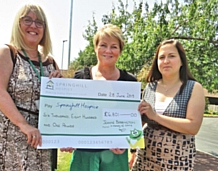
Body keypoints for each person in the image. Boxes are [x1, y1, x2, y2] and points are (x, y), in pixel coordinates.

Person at [0, 3, 62, 171]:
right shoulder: (7, 52)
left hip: (41, 136)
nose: (33, 25)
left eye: (39, 22)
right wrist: (24, 125)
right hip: (9, 132)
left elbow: (61, 103)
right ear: (18, 24)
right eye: (27, 20)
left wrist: (59, 84)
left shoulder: (51, 62)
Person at [61, 24, 137, 171]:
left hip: (116, 157)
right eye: (103, 45)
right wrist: (66, 138)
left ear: (120, 50)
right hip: (84, 155)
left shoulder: (129, 82)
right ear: (95, 48)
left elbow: (133, 122)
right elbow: (69, 114)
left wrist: (128, 144)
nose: (108, 51)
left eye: (114, 46)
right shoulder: (81, 77)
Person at [131, 39, 205, 171]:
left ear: (181, 61)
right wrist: (132, 149)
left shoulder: (193, 87)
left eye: (171, 56)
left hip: (177, 161)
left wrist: (155, 116)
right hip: (145, 158)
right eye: (161, 57)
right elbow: (138, 123)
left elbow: (193, 127)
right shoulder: (150, 87)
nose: (166, 61)